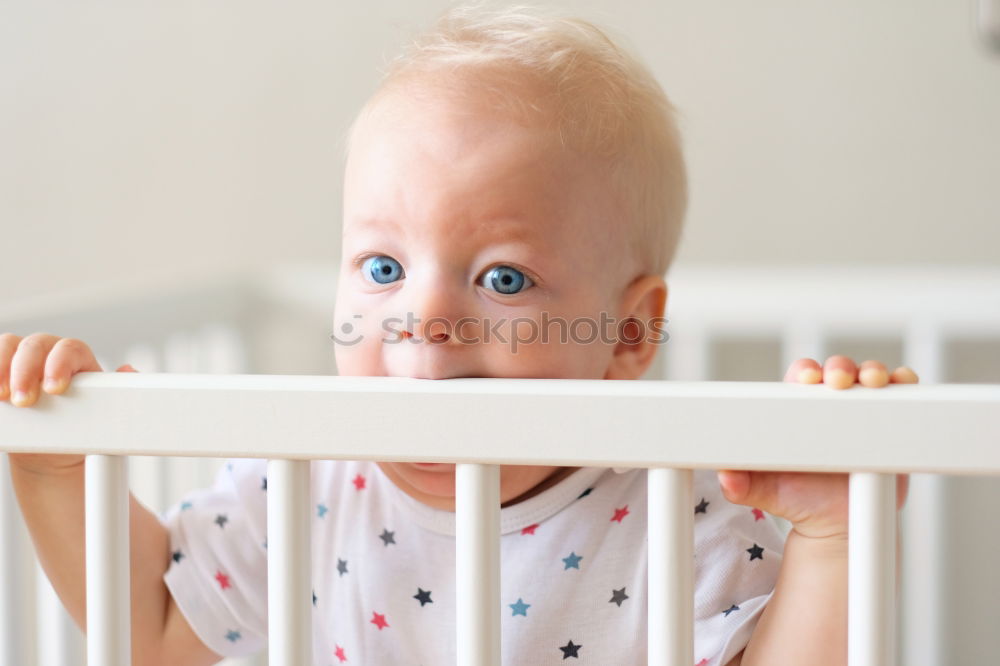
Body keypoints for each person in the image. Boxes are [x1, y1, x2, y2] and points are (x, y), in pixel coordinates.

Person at [2, 4, 918, 664]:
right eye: (384, 267)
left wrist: (835, 538)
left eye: (503, 279)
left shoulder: (688, 521)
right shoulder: (308, 489)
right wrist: (56, 471)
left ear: (631, 332)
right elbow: (159, 636)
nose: (424, 316)